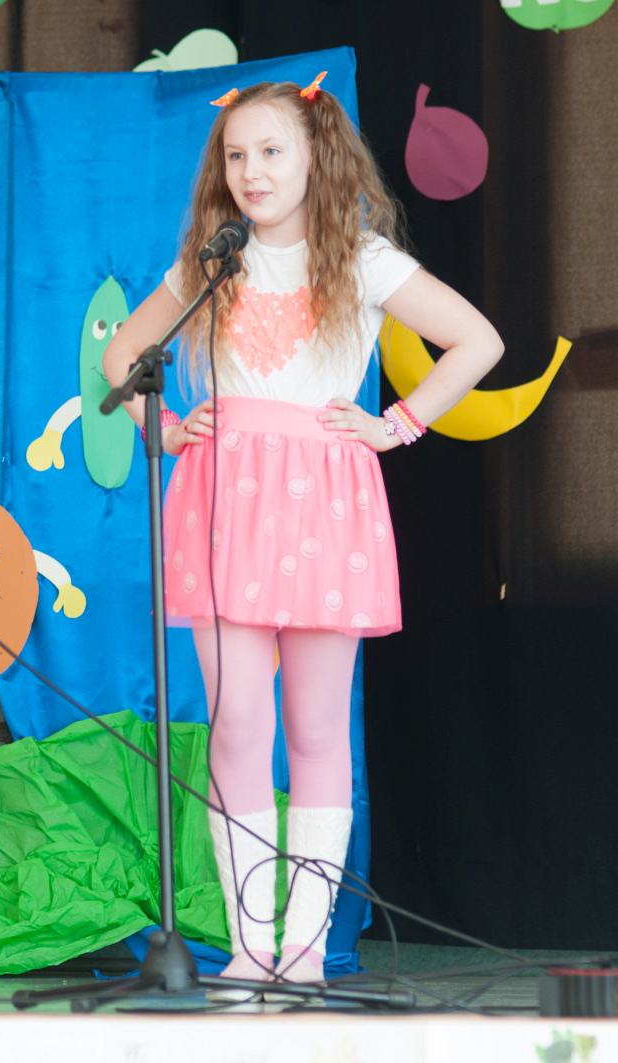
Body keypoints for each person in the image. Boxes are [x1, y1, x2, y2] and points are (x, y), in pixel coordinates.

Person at [102, 74, 502, 987]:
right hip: (223, 500)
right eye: (235, 155)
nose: (251, 171)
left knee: (317, 729)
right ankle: (251, 947)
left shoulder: (362, 258)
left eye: (271, 151)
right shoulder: (213, 261)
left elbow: (477, 340)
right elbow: (123, 353)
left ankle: (305, 949)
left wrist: (400, 423)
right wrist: (165, 429)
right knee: (237, 726)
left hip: (324, 500)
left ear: (317, 155)